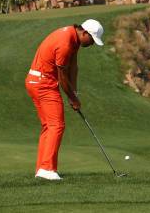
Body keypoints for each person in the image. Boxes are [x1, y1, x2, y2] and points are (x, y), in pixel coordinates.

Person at [25, 19, 104, 180]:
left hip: (35, 81)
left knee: (48, 126)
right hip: (43, 84)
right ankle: (47, 169)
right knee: (56, 125)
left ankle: (41, 168)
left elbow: (73, 67)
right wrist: (73, 99)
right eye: (92, 40)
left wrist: (75, 93)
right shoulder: (65, 43)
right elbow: (62, 78)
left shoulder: (72, 36)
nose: (92, 44)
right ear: (85, 33)